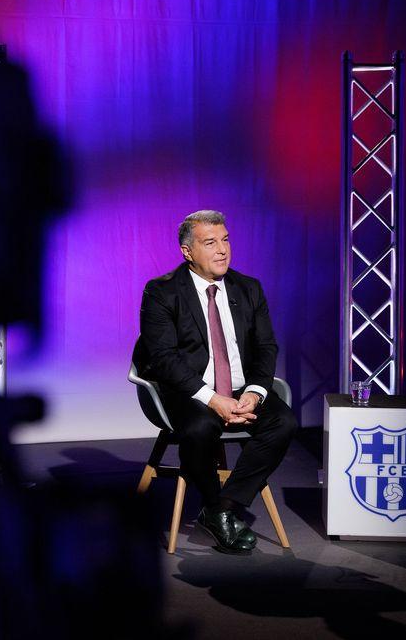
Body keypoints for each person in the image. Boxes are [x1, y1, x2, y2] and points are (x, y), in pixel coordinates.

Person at [136, 210, 298, 554]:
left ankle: (221, 508)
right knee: (198, 430)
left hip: (241, 390)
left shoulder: (248, 288)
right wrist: (212, 399)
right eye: (210, 242)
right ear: (187, 251)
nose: (222, 249)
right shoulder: (162, 292)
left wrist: (254, 393)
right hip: (190, 390)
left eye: (225, 240)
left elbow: (266, 347)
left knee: (283, 422)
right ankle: (215, 502)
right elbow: (164, 358)